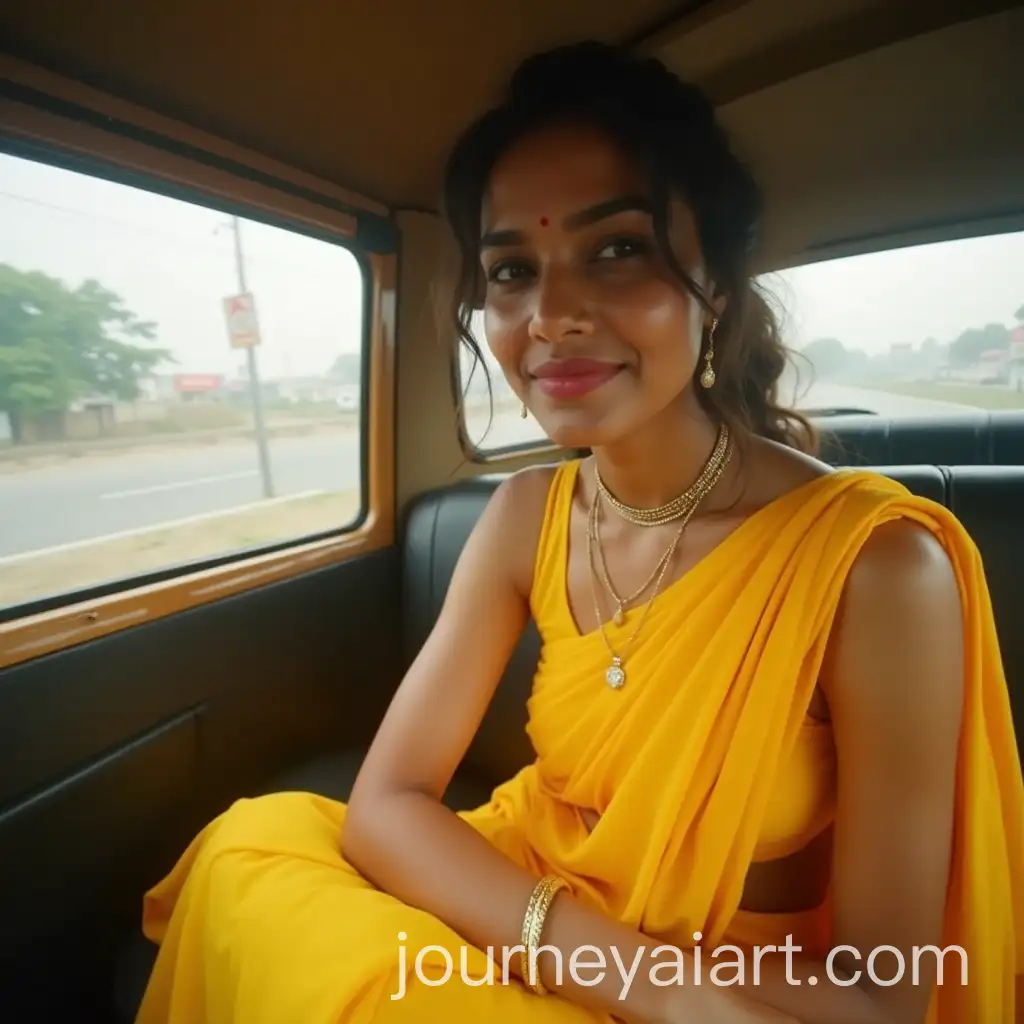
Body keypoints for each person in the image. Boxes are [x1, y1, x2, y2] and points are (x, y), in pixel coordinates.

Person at [136, 42, 1023, 1023]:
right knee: (249, 846)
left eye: (616, 250)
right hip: (530, 917)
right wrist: (607, 968)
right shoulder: (525, 516)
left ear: (716, 287)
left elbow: (882, 996)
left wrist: (670, 999)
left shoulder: (877, 566)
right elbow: (388, 800)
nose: (549, 316)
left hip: (746, 993)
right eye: (512, 270)